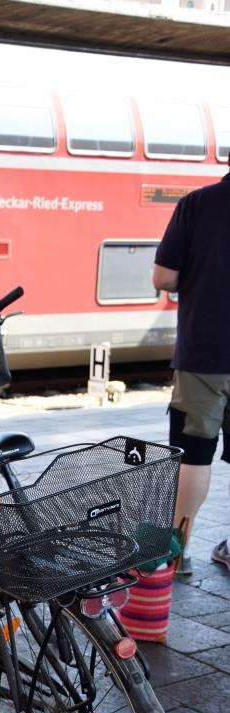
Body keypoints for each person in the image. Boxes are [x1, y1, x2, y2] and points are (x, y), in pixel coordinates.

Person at [152, 157, 230, 574]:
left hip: (205, 355)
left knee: (194, 457)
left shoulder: (197, 205)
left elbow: (163, 278)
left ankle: (177, 554)